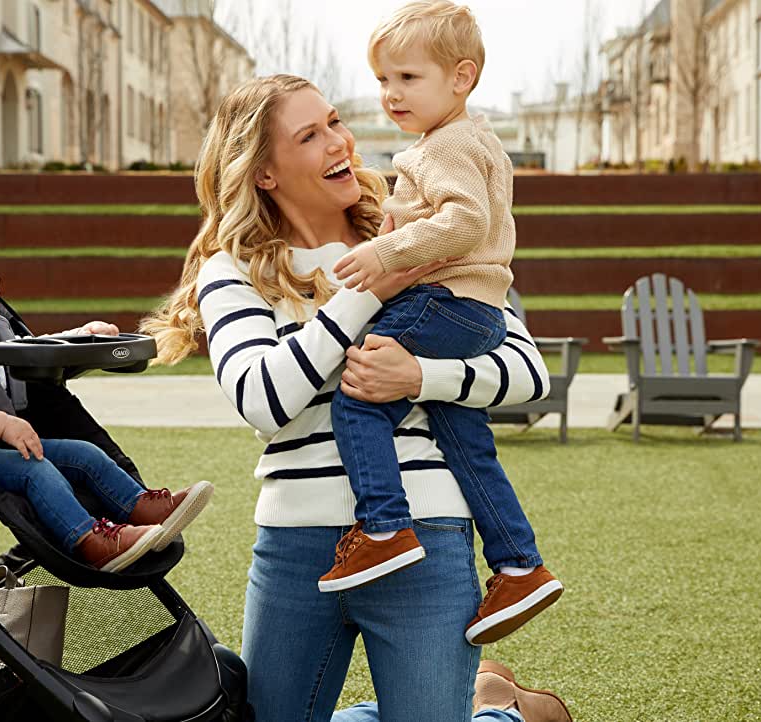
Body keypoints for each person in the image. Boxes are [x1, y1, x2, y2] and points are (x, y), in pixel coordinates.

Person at [141, 73, 561, 721]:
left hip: (426, 536)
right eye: (310, 135)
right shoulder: (233, 271)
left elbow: (528, 372)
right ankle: (497, 710)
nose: (340, 142)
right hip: (294, 548)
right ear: (264, 173)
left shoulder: (421, 230)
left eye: (335, 122)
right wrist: (369, 291)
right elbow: (262, 398)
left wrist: (420, 380)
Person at [322, 0, 561, 646]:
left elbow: (464, 222)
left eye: (407, 78)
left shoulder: (444, 145)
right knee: (467, 444)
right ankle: (518, 564)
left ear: (461, 78)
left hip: (445, 301)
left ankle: (382, 526)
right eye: (383, 80)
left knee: (359, 398)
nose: (390, 94)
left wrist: (384, 251)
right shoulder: (470, 137)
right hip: (480, 311)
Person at [0, 218, 213, 572]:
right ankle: (91, 542)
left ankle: (140, 505)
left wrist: (83, 335)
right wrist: (3, 425)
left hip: (9, 442)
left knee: (84, 453)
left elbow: (27, 349)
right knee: (36, 472)